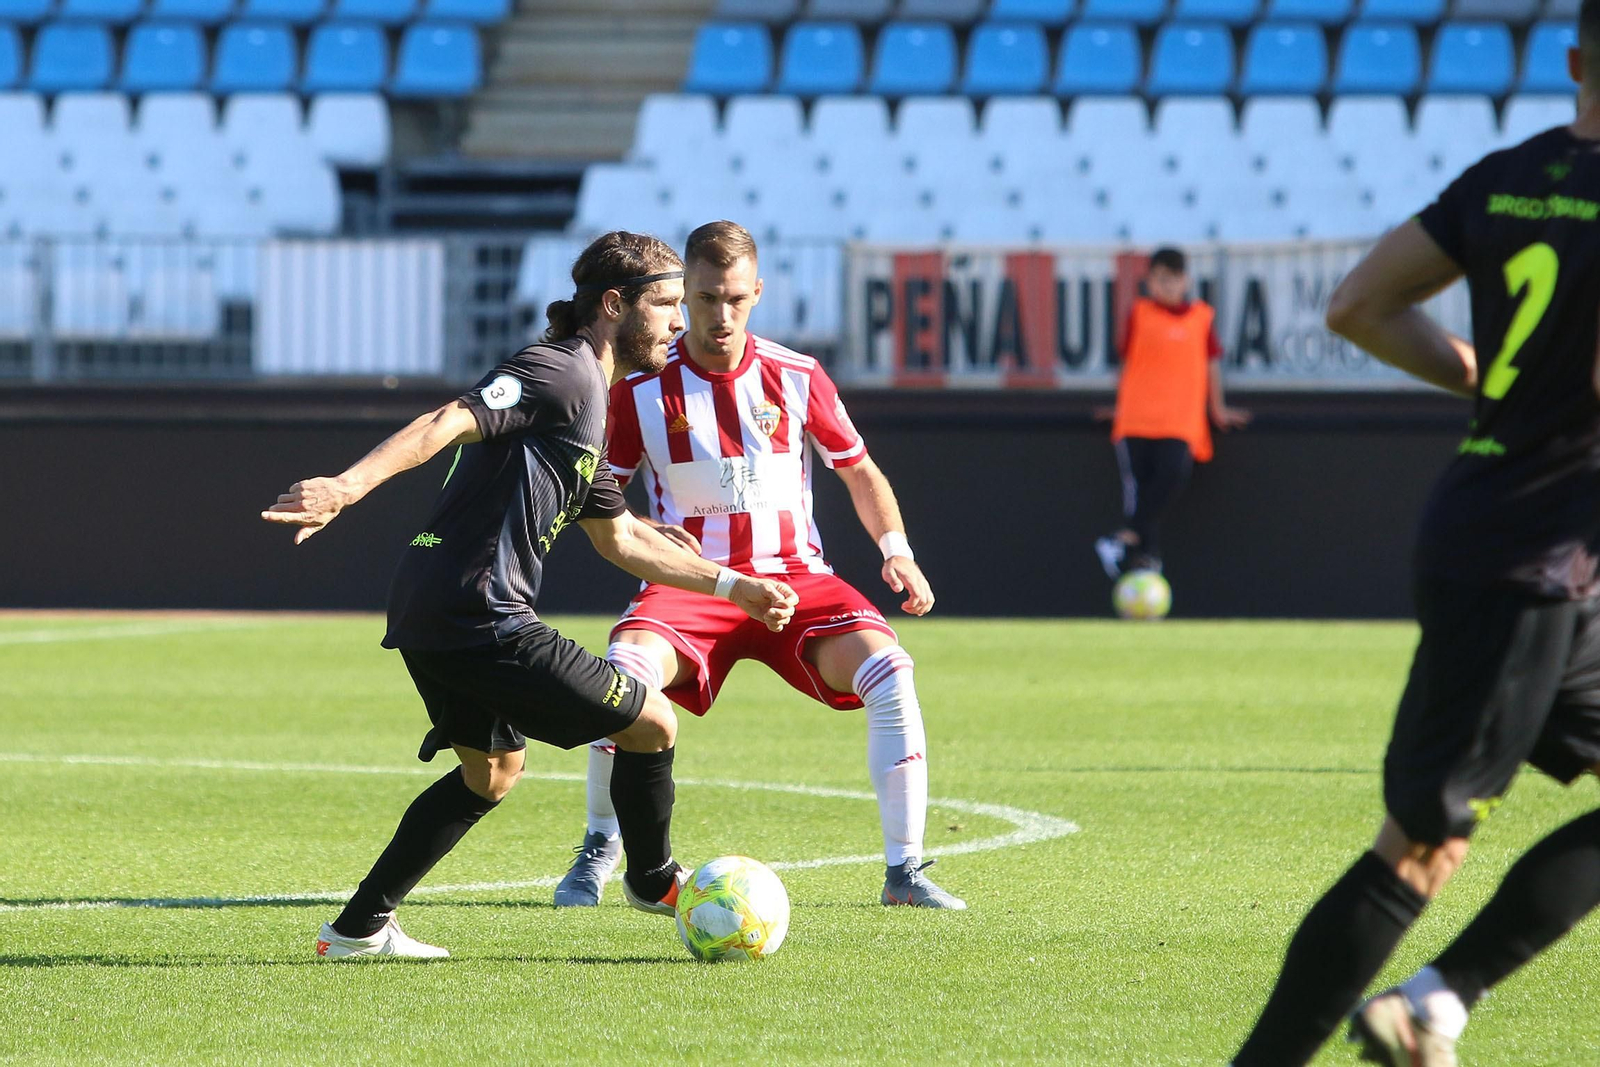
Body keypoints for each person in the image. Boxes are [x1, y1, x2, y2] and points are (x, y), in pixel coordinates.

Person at [260, 231, 798, 959]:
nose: (680, 321)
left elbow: (621, 539)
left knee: (491, 774)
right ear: (614, 305)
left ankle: (357, 929)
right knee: (652, 723)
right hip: (480, 610)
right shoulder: (561, 370)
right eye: (666, 303)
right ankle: (650, 877)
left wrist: (737, 587)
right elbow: (446, 420)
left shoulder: (589, 406)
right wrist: (345, 487)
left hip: (431, 606)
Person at [1231, 13, 1600, 1064]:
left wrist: (1496, 379)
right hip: (1534, 556)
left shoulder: (1503, 177)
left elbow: (1356, 304)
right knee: (1424, 845)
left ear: (1573, 63)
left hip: (1505, 529)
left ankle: (1437, 1000)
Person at [549, 220, 965, 911]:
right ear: (685, 293)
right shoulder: (641, 386)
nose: (720, 315)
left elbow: (859, 470)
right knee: (622, 679)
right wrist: (649, 529)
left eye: (736, 299)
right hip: (689, 585)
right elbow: (604, 492)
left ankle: (905, 870)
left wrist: (898, 553)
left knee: (892, 671)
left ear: (758, 293)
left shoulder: (797, 375)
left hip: (794, 579)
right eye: (706, 298)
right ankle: (599, 847)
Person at [1094, 247, 1249, 578]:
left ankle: (1123, 536)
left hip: (1179, 420)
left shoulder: (1200, 318)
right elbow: (1128, 363)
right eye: (1158, 279)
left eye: (1172, 279)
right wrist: (1120, 404)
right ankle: (1146, 561)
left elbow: (1211, 366)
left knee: (1172, 474)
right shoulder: (1139, 314)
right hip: (1136, 419)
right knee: (1138, 488)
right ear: (1149, 281)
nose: (1164, 286)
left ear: (1185, 280)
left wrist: (1217, 408)